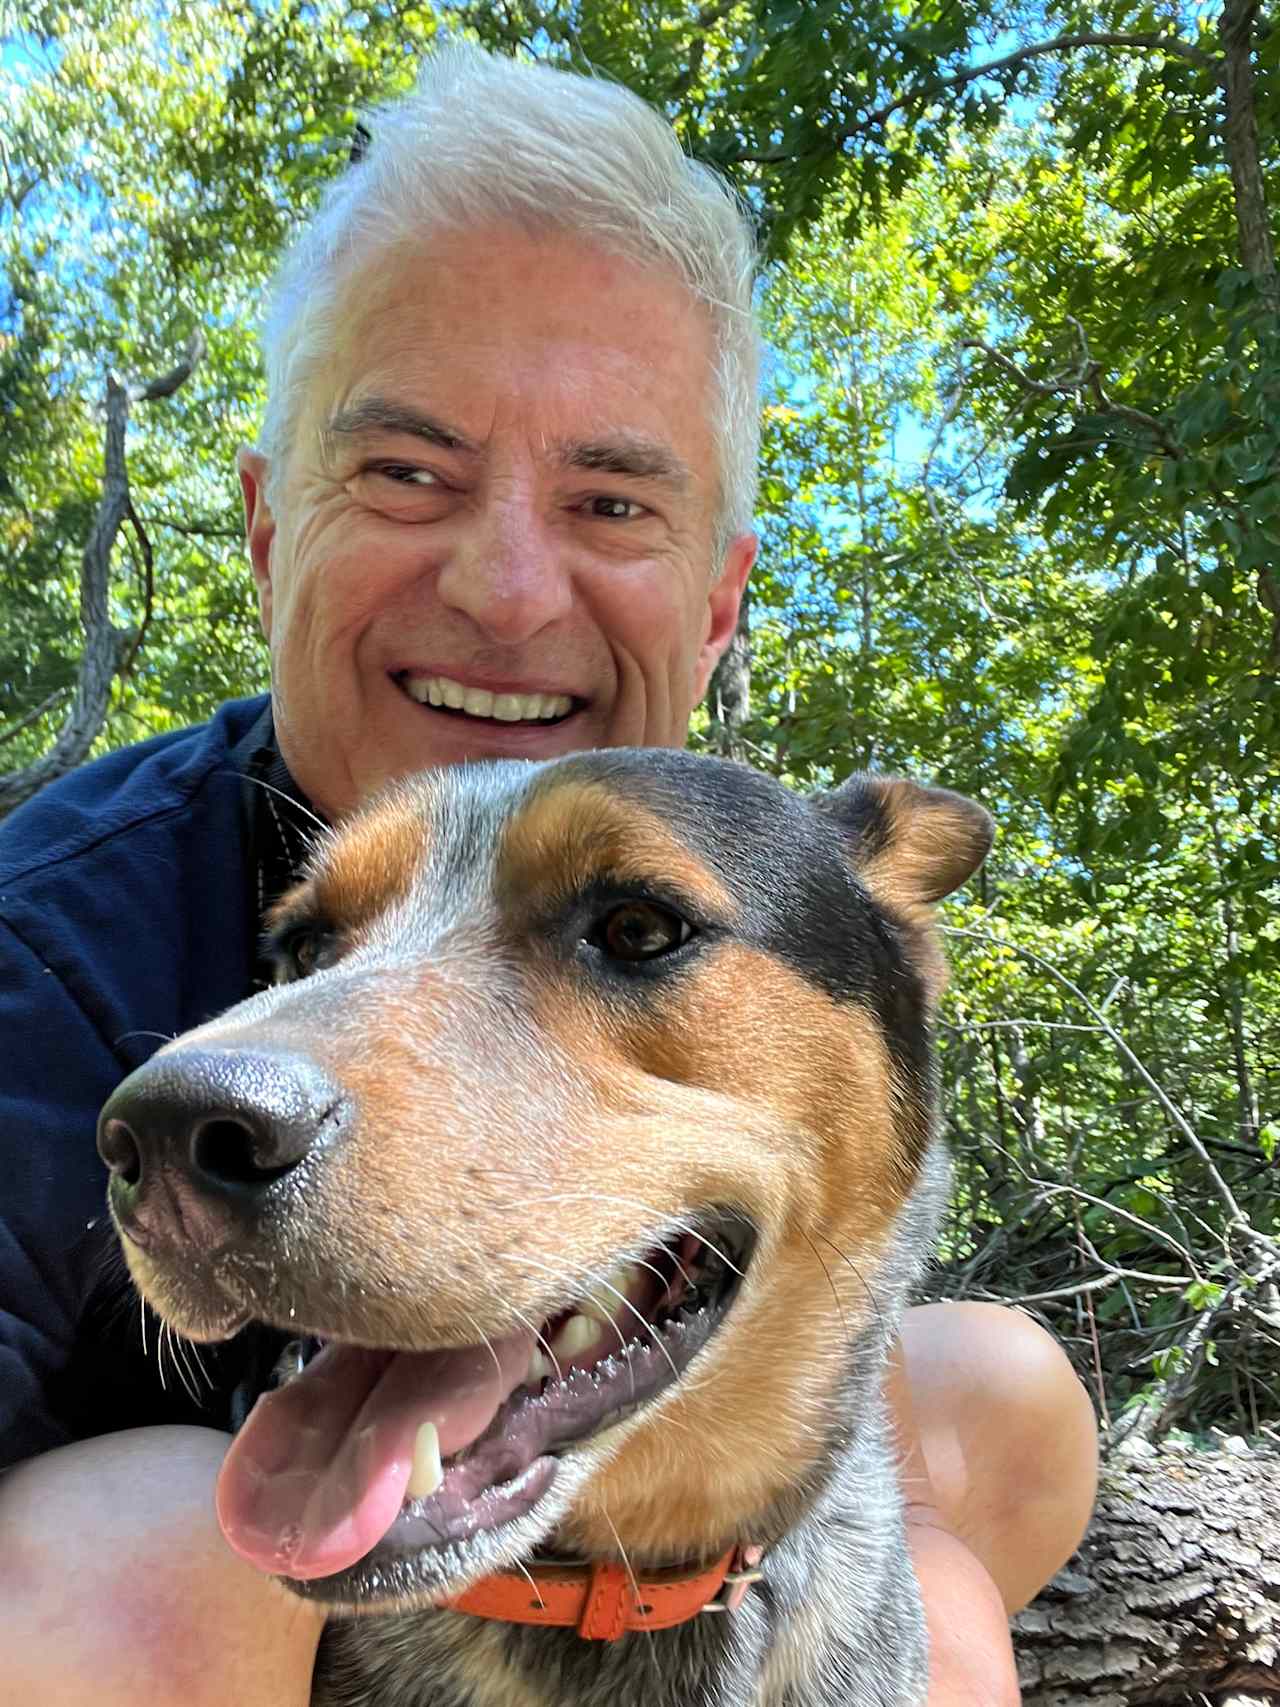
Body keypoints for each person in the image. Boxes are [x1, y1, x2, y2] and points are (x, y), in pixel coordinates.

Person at [0, 43, 1096, 1706]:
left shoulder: (799, 906)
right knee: (138, 1568)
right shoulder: (45, 953)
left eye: (607, 501)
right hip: (214, 1603)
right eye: (407, 474)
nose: (508, 590)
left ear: (716, 601)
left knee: (1004, 1402)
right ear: (268, 531)